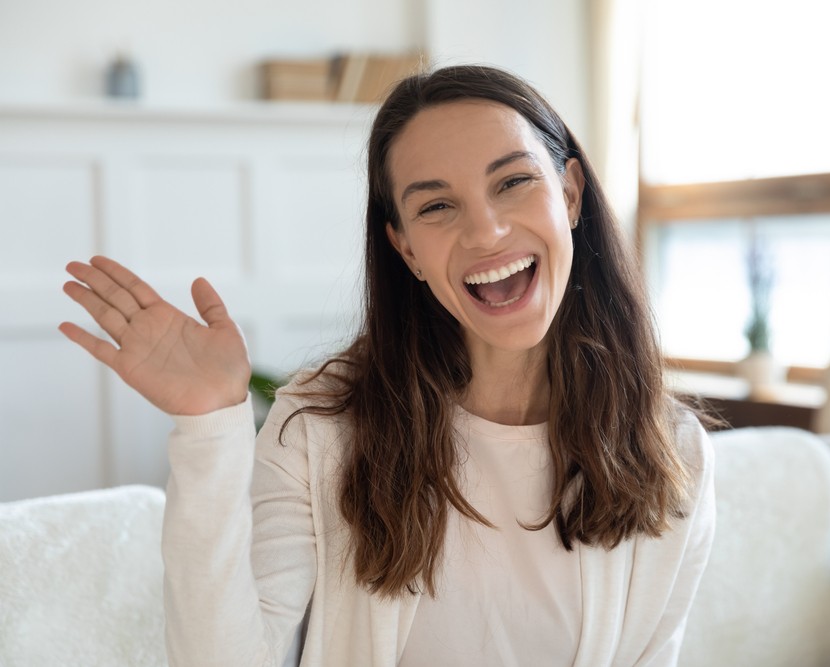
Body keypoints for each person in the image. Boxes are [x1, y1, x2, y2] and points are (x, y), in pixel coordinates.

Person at [59, 65, 715, 666]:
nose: (485, 232)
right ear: (405, 247)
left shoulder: (674, 451)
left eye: (513, 181)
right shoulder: (321, 425)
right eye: (437, 205)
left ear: (569, 194)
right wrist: (208, 424)